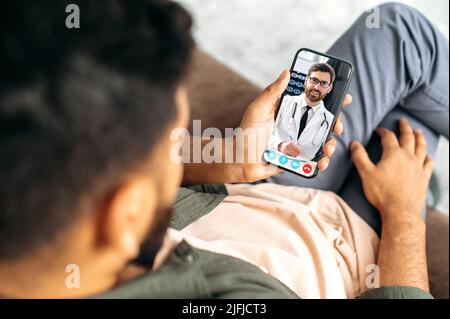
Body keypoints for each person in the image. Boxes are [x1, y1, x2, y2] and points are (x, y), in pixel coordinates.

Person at [0, 0, 447, 299]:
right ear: (126, 215)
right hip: (356, 244)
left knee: (399, 35)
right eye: (169, 145)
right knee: (415, 104)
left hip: (261, 195)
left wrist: (231, 156)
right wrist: (404, 216)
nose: (185, 149)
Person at [270, 63, 335, 161]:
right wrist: (280, 145)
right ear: (306, 81)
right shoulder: (284, 102)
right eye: (314, 80)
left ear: (329, 88)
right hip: (274, 158)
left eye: (324, 83)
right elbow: (265, 131)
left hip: (302, 169)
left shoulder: (330, 119)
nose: (316, 87)